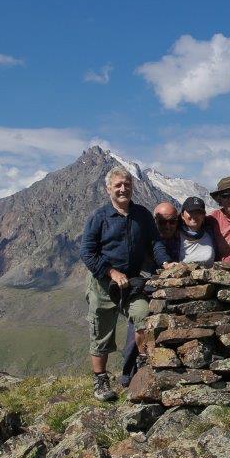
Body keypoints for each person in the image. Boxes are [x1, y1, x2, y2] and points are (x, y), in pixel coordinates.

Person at [79, 166, 169, 402]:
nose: (123, 188)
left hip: (131, 282)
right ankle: (100, 381)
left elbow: (155, 244)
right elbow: (87, 253)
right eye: (118, 185)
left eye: (127, 184)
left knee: (144, 317)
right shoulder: (99, 218)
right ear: (109, 188)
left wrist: (167, 263)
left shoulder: (142, 215)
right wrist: (110, 272)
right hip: (102, 283)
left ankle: (142, 369)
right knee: (101, 332)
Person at [118, 200, 182, 387]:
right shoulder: (143, 236)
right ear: (154, 221)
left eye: (172, 221)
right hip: (145, 290)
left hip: (176, 294)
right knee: (137, 327)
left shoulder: (183, 237)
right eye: (162, 222)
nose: (168, 226)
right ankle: (129, 375)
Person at [178, 196, 217, 265]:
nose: (194, 216)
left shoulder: (211, 232)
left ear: (204, 215)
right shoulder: (175, 235)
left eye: (198, 212)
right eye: (191, 212)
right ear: (182, 215)